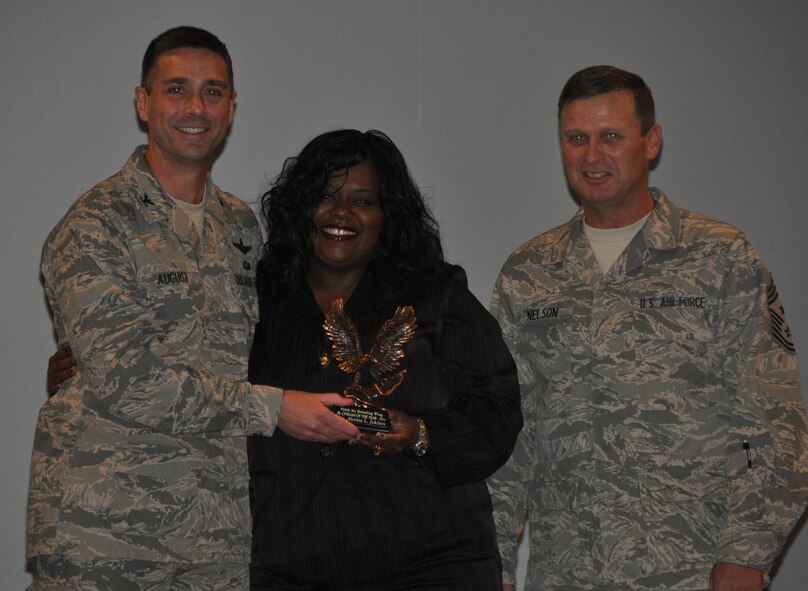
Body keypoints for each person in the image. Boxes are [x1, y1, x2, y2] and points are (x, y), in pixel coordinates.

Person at [28, 27, 356, 590]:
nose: (195, 108)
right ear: (143, 101)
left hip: (217, 538)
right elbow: (134, 379)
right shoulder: (94, 226)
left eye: (212, 91)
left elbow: (272, 348)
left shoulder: (240, 227)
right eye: (176, 89)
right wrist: (275, 409)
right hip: (108, 537)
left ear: (231, 106)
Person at [487, 65, 808, 591]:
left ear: (651, 141)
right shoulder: (529, 273)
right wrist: (492, 561)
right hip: (567, 571)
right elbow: (504, 433)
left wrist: (749, 553)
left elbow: (770, 414)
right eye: (576, 138)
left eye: (611, 136)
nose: (592, 155)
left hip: (692, 570)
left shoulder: (720, 256)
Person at [247, 129, 523, 589]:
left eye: (362, 200)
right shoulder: (257, 299)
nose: (340, 214)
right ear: (301, 207)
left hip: (434, 561)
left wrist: (421, 435)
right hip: (291, 563)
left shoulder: (434, 293)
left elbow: (499, 408)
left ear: (387, 215)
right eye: (325, 196)